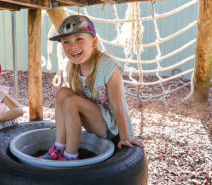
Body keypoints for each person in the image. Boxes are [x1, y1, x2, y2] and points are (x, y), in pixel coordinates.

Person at [41, 15, 143, 161]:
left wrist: (125, 136)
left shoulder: (108, 67)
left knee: (71, 102)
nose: (72, 46)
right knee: (63, 92)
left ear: (94, 42)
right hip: (94, 121)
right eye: (66, 42)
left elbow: (118, 105)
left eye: (79, 39)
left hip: (113, 130)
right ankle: (59, 147)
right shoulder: (73, 68)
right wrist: (61, 124)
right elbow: (75, 102)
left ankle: (70, 156)